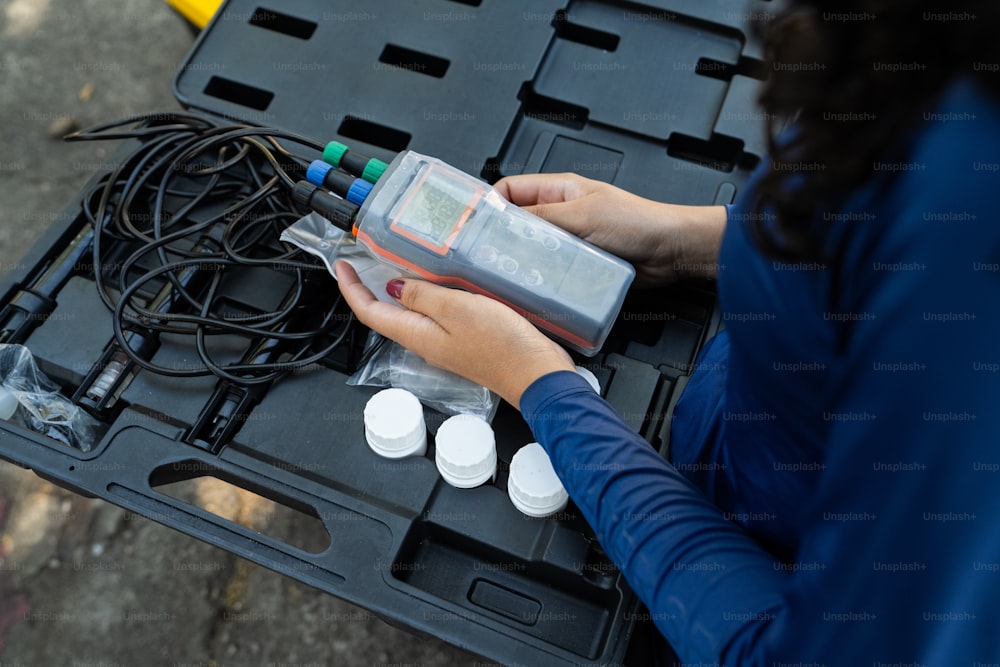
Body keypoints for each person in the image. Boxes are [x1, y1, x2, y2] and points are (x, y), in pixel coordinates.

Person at [335, 1, 1000, 664]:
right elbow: (856, 237)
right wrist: (690, 240)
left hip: (741, 559)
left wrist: (540, 386)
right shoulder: (927, 60)